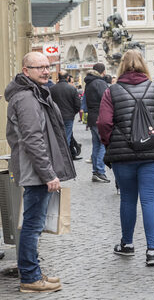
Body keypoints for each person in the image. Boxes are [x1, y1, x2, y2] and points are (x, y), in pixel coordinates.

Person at [5, 52, 76, 293]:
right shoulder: (26, 98)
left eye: (48, 67)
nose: (46, 71)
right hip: (35, 171)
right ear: (26, 70)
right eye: (39, 68)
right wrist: (48, 174)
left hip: (35, 170)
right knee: (33, 225)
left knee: (34, 224)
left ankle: (33, 271)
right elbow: (33, 139)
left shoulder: (34, 93)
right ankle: (30, 278)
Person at [97, 50, 154, 266]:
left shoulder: (111, 91)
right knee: (150, 199)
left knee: (128, 199)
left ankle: (128, 244)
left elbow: (103, 123)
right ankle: (152, 251)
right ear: (144, 65)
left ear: (121, 66)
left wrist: (109, 144)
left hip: (123, 154)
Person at [84, 63, 110, 183]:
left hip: (93, 117)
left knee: (96, 145)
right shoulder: (99, 83)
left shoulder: (89, 82)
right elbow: (107, 98)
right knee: (103, 145)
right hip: (100, 117)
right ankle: (100, 171)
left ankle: (96, 171)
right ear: (103, 71)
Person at [50, 71, 81, 145]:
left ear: (58, 78)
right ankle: (66, 154)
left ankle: (59, 153)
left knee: (58, 136)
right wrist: (73, 113)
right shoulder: (72, 89)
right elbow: (77, 104)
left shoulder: (52, 89)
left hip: (56, 116)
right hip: (68, 116)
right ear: (67, 78)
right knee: (67, 137)